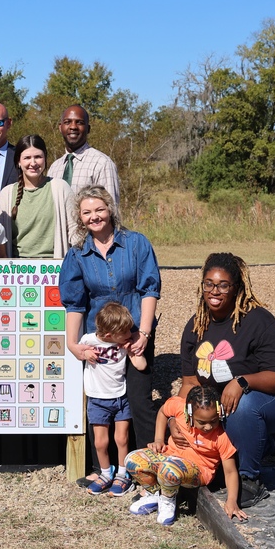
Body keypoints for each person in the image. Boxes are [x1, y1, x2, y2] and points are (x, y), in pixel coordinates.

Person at [174, 252, 275, 509]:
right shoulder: (195, 326)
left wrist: (242, 381)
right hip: (229, 401)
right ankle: (273, 441)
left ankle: (250, 479)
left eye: (223, 285)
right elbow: (190, 383)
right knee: (221, 416)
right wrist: (177, 418)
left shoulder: (258, 321)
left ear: (237, 288)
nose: (215, 291)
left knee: (241, 408)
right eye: (209, 284)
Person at [59, 185, 160, 486]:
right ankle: (101, 470)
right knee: (99, 401)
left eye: (99, 209)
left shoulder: (136, 243)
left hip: (134, 334)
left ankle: (145, 468)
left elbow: (149, 289)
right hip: (100, 340)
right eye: (87, 212)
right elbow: (75, 303)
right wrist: (72, 344)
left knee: (139, 400)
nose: (95, 216)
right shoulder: (78, 254)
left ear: (110, 209)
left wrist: (144, 332)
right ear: (80, 218)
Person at [126, 385, 246, 526]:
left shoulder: (221, 436)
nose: (208, 427)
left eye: (213, 421)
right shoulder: (178, 406)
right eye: (202, 422)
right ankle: (155, 494)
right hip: (170, 457)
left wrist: (231, 501)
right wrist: (159, 439)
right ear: (189, 413)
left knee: (168, 470)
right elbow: (163, 412)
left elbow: (230, 471)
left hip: (198, 470)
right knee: (133, 460)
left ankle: (168, 500)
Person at [77, 301, 146, 497]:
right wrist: (85, 353)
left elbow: (141, 366)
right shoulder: (89, 340)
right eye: (125, 332)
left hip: (120, 397)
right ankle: (106, 473)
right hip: (97, 399)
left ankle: (123, 475)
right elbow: (76, 351)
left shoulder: (125, 343)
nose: (129, 333)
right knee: (100, 442)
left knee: (122, 438)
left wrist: (131, 346)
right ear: (109, 335)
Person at [0, 134, 76, 258]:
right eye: (27, 158)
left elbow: (74, 231)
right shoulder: (6, 194)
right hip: (17, 271)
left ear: (45, 158)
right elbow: (0, 239)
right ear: (18, 161)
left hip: (54, 268)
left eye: (38, 157)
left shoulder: (61, 188)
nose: (33, 163)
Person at [47, 105, 121, 204]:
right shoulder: (54, 167)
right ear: (60, 127)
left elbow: (111, 210)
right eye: (67, 122)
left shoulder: (102, 164)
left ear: (88, 128)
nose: (73, 127)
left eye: (80, 122)